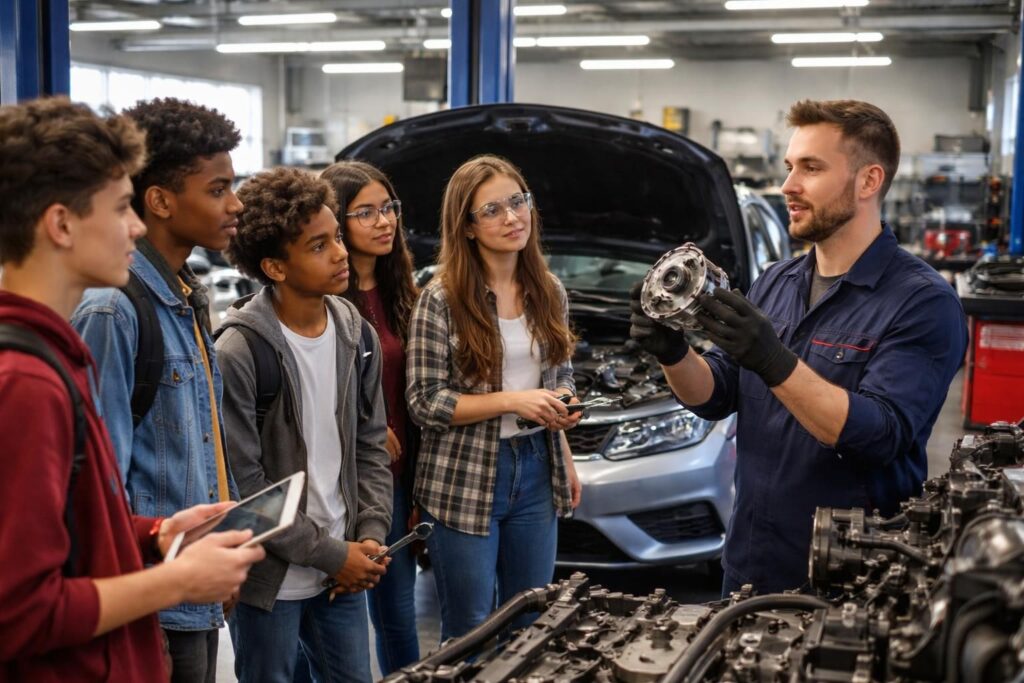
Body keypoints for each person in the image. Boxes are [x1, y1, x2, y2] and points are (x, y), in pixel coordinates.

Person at [629, 99, 968, 596]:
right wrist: (673, 353)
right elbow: (717, 393)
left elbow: (879, 435)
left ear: (869, 181)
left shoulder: (922, 302)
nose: (788, 185)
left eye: (811, 168)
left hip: (849, 587)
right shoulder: (776, 281)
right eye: (790, 167)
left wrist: (773, 360)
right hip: (749, 565)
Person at [0, 96, 264, 682]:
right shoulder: (26, 382)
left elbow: (77, 518)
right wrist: (176, 580)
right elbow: (18, 610)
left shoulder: (52, 356)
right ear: (61, 223)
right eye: (122, 208)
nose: (138, 226)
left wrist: (155, 532)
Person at [71, 97, 244, 682]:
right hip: (150, 603)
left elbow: (200, 442)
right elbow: (100, 484)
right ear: (161, 201)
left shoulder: (185, 297)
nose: (235, 204)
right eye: (218, 189)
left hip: (188, 588)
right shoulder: (114, 311)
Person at [216, 166, 393, 683]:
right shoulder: (239, 351)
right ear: (274, 266)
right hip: (271, 580)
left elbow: (370, 444)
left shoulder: (354, 330)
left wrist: (370, 535)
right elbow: (247, 486)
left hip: (343, 571)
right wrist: (330, 554)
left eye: (337, 235)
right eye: (319, 246)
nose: (340, 252)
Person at [406, 154, 583, 641]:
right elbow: (425, 401)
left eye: (518, 202)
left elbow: (560, 371)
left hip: (534, 469)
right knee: (470, 627)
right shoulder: (440, 299)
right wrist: (513, 400)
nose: (512, 217)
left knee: (531, 621)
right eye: (492, 210)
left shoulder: (549, 290)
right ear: (466, 226)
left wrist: (562, 417)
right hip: (464, 476)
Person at [321, 160, 421, 674]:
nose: (385, 222)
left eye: (388, 208)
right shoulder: (319, 299)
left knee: (399, 614)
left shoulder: (403, 294)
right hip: (336, 483)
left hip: (395, 479)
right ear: (335, 221)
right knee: (331, 612)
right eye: (366, 212)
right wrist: (365, 424)